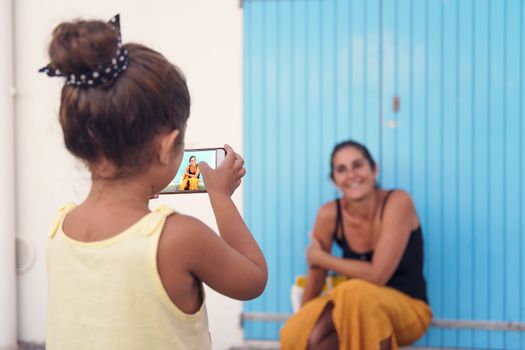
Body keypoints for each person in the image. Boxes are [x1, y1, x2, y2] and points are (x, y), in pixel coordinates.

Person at [40, 14, 267, 350]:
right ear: (165, 147)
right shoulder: (177, 237)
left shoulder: (61, 226)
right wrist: (220, 196)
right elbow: (253, 278)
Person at [281, 140, 432, 350]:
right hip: (353, 310)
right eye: (341, 170)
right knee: (305, 335)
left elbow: (378, 275)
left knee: (355, 291)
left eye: (357, 165)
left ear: (374, 169)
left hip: (409, 310)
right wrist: (306, 317)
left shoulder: (398, 202)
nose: (351, 175)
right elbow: (316, 276)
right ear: (334, 181)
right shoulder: (329, 214)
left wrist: (322, 257)